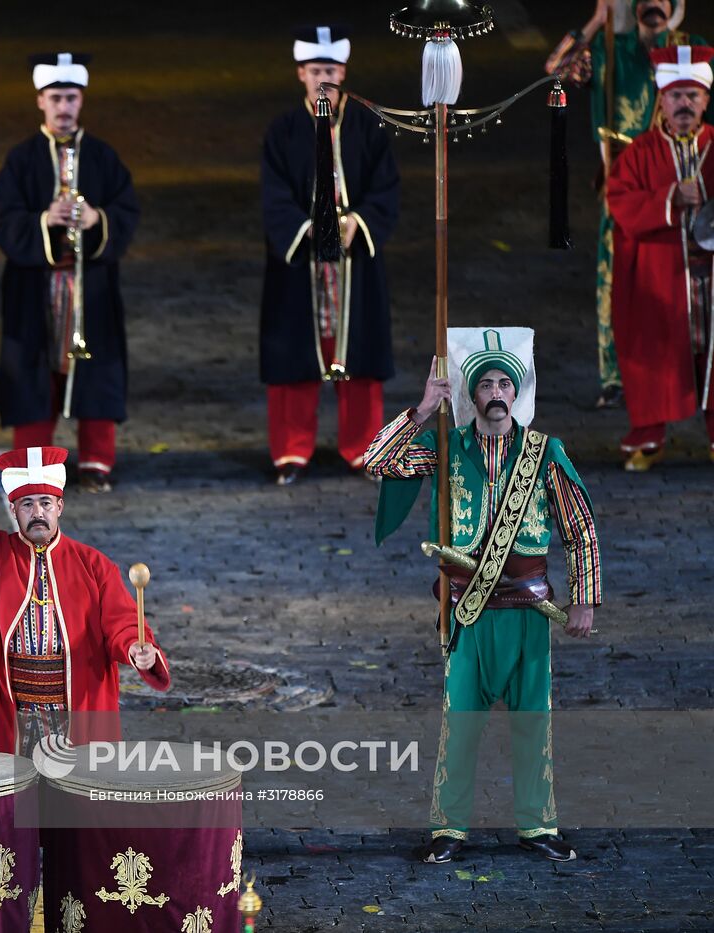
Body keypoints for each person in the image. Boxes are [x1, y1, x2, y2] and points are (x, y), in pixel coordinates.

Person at [364, 329, 601, 864]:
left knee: (532, 721)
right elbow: (377, 462)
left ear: (516, 393)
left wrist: (584, 599)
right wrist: (423, 410)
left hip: (528, 612)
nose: (496, 393)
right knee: (461, 723)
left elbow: (579, 526)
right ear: (472, 395)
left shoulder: (545, 453)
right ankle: (449, 829)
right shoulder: (446, 447)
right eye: (486, 384)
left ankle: (538, 826)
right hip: (467, 611)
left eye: (504, 384)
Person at [0, 414, 170, 754]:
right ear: (13, 510)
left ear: (60, 507)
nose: (37, 512)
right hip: (8, 715)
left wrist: (136, 648)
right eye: (27, 504)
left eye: (45, 503)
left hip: (75, 714)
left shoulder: (94, 565)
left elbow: (123, 623)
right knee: (6, 787)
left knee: (72, 788)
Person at [0, 52, 140, 494]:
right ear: (40, 100)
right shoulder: (21, 160)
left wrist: (97, 219)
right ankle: (33, 466)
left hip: (90, 286)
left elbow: (127, 211)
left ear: (82, 100)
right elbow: (2, 220)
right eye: (55, 98)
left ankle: (96, 462)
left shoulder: (104, 157)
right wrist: (44, 220)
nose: (64, 107)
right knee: (33, 374)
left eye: (71, 98)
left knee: (96, 369)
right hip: (35, 286)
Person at [260, 26, 399, 485]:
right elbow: (274, 196)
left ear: (344, 73)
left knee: (360, 354)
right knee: (295, 354)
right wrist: (311, 231)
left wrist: (357, 223)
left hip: (355, 262)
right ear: (301, 73)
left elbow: (385, 188)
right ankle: (290, 450)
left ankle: (363, 447)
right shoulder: (282, 132)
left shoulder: (368, 128)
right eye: (316, 70)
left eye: (332, 70)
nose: (324, 78)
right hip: (301, 264)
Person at [548, 0, 703, 408]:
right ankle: (616, 378)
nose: (652, 4)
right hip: (625, 184)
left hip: (680, 180)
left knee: (681, 278)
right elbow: (556, 69)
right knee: (616, 277)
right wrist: (598, 19)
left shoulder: (689, 47)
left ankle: (683, 372)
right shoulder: (608, 51)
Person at [608, 45, 714, 469]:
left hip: (711, 278)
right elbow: (620, 202)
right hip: (662, 276)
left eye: (692, 95)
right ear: (662, 101)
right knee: (653, 352)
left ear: (706, 99)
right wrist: (669, 198)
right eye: (675, 96)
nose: (684, 104)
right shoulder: (640, 152)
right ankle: (649, 434)